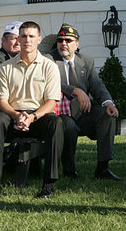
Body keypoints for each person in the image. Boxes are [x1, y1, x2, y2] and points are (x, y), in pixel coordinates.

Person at [0, 20, 64, 200]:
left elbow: (51, 102)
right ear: (18, 40)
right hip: (12, 114)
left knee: (56, 122)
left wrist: (32, 117)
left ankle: (49, 184)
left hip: (38, 116)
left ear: (39, 39)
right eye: (23, 36)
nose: (27, 40)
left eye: (31, 36)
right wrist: (16, 115)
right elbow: (2, 102)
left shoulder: (49, 66)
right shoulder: (5, 68)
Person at [50, 23, 120, 180]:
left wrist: (108, 103)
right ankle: (69, 171)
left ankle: (103, 168)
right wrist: (74, 90)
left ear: (77, 44)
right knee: (68, 126)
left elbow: (97, 85)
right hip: (59, 112)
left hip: (82, 111)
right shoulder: (49, 60)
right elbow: (46, 82)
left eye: (68, 40)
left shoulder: (86, 61)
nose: (63, 44)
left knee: (106, 115)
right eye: (60, 40)